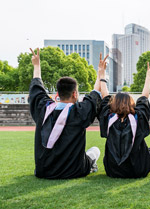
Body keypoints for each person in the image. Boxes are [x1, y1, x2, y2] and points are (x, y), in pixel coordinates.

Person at [28, 48, 102, 179]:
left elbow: (36, 89)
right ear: (74, 94)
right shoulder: (79, 111)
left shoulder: (44, 109)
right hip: (74, 170)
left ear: (58, 93)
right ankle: (91, 166)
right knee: (95, 150)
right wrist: (101, 73)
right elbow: (95, 94)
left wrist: (36, 65)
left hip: (44, 171)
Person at [98, 62, 150, 178]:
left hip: (113, 171)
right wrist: (148, 78)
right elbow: (144, 97)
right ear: (131, 103)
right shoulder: (138, 117)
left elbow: (105, 97)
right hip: (138, 170)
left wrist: (102, 75)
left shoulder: (108, 117)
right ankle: (148, 167)